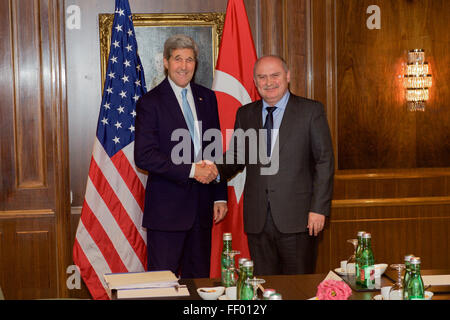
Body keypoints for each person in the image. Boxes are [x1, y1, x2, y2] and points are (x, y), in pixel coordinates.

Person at [215, 55, 334, 275]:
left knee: (298, 286)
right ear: (255, 81)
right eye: (262, 77)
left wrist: (318, 209)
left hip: (299, 220)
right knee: (265, 286)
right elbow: (236, 158)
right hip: (258, 220)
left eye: (274, 75)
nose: (268, 82)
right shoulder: (246, 114)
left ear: (287, 76)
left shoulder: (310, 111)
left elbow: (324, 161)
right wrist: (210, 170)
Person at [134, 34, 228, 278]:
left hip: (202, 208)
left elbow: (213, 149)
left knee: (198, 283)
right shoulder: (150, 102)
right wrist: (191, 170)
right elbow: (144, 156)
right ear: (166, 62)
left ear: (195, 64)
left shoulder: (207, 97)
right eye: (178, 59)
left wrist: (219, 196)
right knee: (162, 284)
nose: (184, 66)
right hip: (167, 213)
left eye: (189, 60)